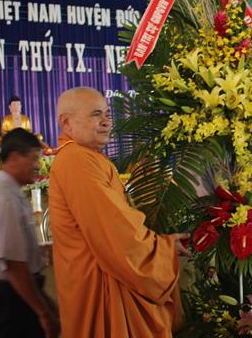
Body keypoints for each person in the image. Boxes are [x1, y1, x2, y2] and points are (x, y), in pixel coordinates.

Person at [48, 87, 189, 338]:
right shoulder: (76, 160)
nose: (106, 122)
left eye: (107, 114)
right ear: (66, 122)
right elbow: (116, 232)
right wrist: (163, 250)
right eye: (95, 115)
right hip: (100, 286)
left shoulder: (89, 157)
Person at [0, 128, 60, 338]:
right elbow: (14, 265)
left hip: (18, 294)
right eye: (34, 159)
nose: (38, 166)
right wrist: (43, 312)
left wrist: (44, 301)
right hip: (9, 299)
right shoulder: (3, 198)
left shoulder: (11, 192)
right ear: (14, 157)